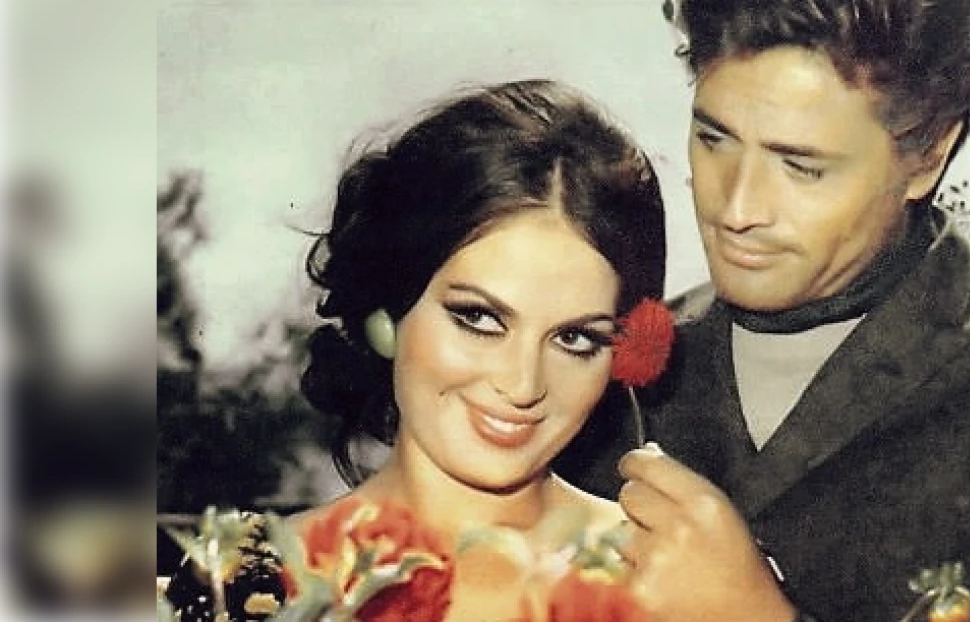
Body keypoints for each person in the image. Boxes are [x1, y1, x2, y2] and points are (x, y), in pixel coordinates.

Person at [565, 0, 970, 621]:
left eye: (801, 166)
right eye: (714, 139)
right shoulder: (599, 370)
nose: (737, 207)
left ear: (928, 155)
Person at [163, 79, 667, 622]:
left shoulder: (666, 572)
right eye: (478, 318)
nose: (522, 384)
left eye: (574, 338)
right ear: (388, 316)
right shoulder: (239, 583)